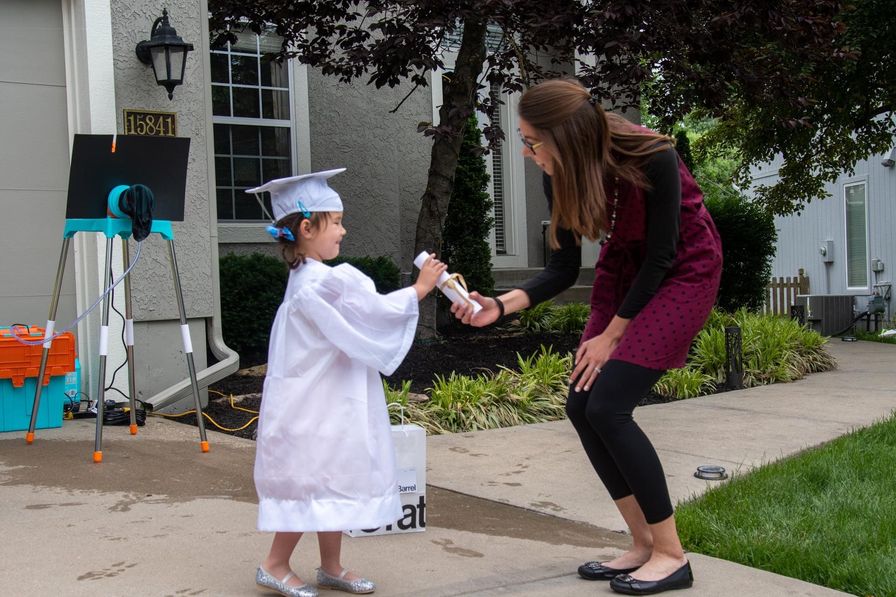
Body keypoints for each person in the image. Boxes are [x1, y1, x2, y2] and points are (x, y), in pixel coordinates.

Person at [451, 79, 722, 595]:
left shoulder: (653, 155)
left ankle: (672, 556)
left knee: (609, 407)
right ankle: (642, 544)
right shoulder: (560, 175)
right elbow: (561, 267)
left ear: (566, 135)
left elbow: (665, 253)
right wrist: (500, 307)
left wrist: (613, 336)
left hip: (684, 270)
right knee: (581, 404)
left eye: (533, 141)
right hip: (625, 272)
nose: (528, 153)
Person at [247, 168, 447, 597]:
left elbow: (360, 312)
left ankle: (331, 564)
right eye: (335, 221)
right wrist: (419, 290)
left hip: (328, 394)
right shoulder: (317, 283)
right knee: (311, 476)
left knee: (333, 472)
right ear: (306, 227)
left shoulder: (314, 278)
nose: (343, 229)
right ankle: (275, 563)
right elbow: (372, 313)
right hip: (312, 400)